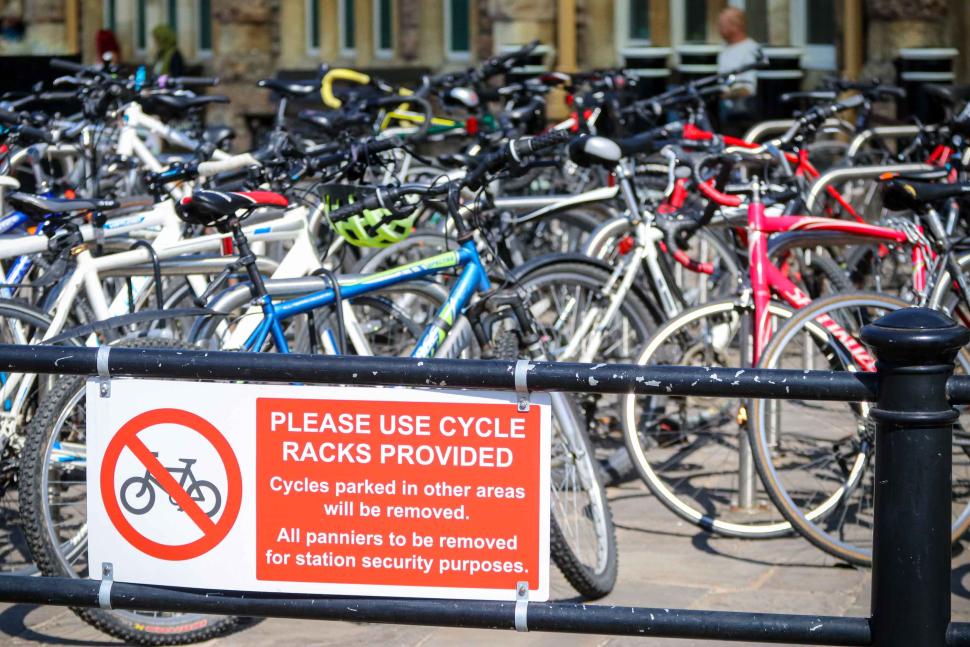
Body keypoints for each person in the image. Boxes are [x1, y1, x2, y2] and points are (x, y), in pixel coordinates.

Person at [716, 7, 762, 132]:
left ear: (736, 26)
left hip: (742, 117)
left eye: (721, 25)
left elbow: (749, 89)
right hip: (725, 114)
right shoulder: (725, 48)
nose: (718, 29)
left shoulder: (750, 50)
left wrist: (723, 95)